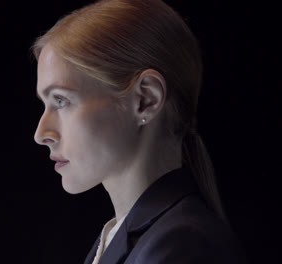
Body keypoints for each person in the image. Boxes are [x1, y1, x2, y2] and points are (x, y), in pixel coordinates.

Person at [32, 0, 248, 263]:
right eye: (46, 104)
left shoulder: (181, 245)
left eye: (61, 101)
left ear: (145, 98)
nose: (42, 133)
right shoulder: (126, 237)